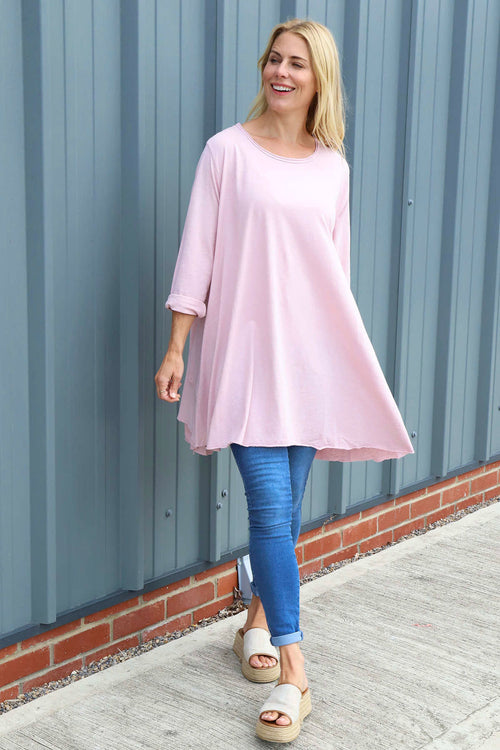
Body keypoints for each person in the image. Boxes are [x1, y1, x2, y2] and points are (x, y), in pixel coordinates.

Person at [155, 17, 415, 743]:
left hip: (310, 365)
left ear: (318, 79)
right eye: (275, 59)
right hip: (244, 362)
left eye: (298, 63)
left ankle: (254, 625)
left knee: (288, 513)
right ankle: (297, 674)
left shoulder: (333, 169)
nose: (282, 72)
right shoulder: (226, 153)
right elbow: (196, 256)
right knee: (271, 512)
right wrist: (177, 349)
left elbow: (336, 278)